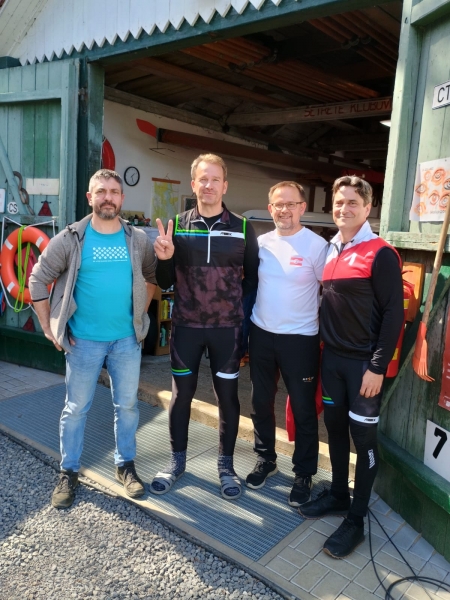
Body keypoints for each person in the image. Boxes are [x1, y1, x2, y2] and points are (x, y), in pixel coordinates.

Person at [29, 168, 157, 509]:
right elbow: (37, 279)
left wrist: (140, 314)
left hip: (127, 341)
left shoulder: (137, 240)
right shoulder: (71, 239)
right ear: (90, 197)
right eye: (101, 192)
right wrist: (48, 327)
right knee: (75, 409)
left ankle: (125, 465)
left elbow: (151, 276)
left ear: (122, 198)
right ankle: (68, 470)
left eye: (114, 192)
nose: (108, 198)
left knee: (127, 406)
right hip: (83, 342)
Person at [299, 175, 404, 558]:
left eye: (352, 202)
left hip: (363, 366)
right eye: (339, 202)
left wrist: (377, 366)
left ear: (368, 207)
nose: (344, 208)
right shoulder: (330, 249)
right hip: (333, 361)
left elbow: (394, 315)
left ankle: (356, 520)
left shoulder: (380, 253)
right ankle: (339, 495)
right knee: (335, 431)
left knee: (364, 441)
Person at [149, 153, 259, 500]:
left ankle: (226, 467)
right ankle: (176, 462)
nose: (209, 185)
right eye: (203, 179)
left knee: (227, 397)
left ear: (224, 186)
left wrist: (233, 311)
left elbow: (252, 281)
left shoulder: (243, 227)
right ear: (193, 184)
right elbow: (164, 281)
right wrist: (164, 259)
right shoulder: (176, 225)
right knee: (181, 396)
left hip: (227, 330)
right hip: (186, 328)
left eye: (215, 179)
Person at [245, 181, 327, 507]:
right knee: (260, 402)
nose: (284, 210)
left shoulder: (316, 246)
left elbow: (329, 292)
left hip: (301, 339)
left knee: (304, 409)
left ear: (302, 208)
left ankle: (304, 473)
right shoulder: (261, 243)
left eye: (291, 204)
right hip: (262, 334)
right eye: (278, 204)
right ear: (270, 208)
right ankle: (266, 458)